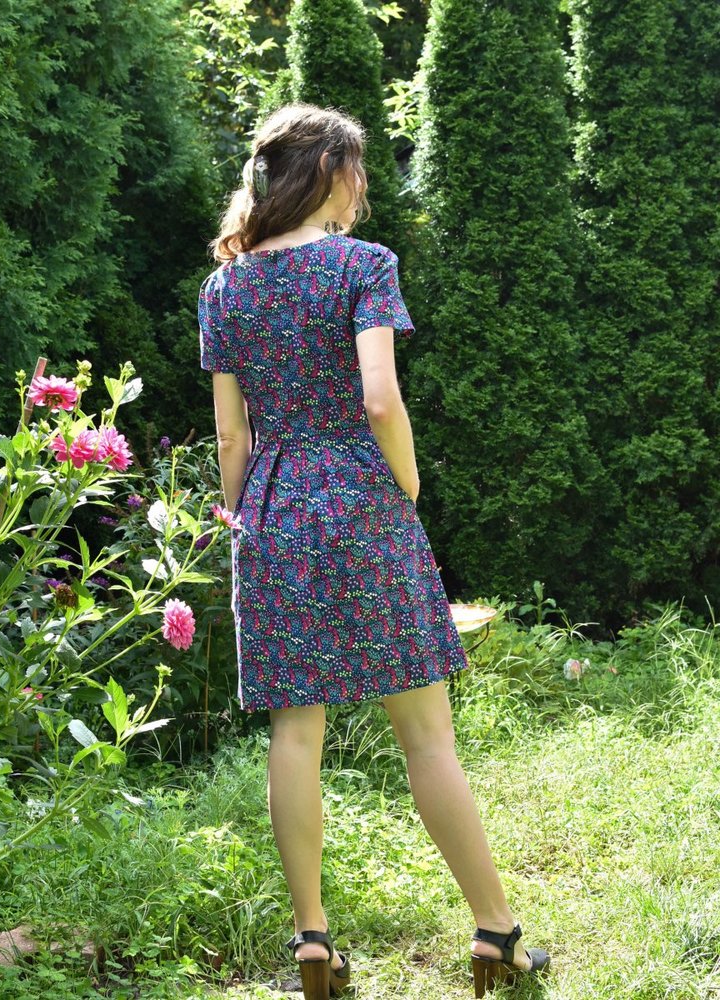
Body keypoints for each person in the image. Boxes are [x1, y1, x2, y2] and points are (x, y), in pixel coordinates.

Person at [197, 102, 550, 1000]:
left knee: (295, 733)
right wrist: (409, 482)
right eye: (357, 169)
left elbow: (231, 437)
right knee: (426, 734)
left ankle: (312, 940)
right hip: (362, 500)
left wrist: (246, 521)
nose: (363, 187)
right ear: (330, 172)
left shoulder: (226, 287)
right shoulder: (364, 265)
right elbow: (380, 400)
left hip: (271, 509)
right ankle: (496, 931)